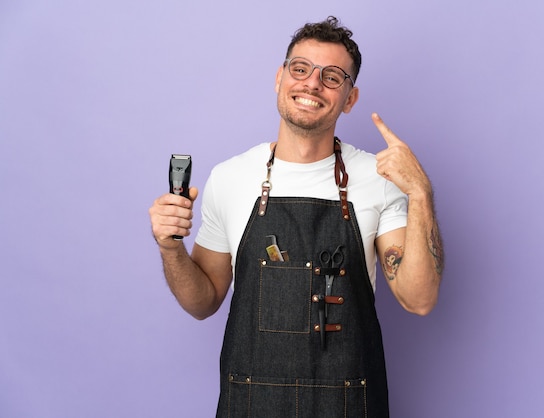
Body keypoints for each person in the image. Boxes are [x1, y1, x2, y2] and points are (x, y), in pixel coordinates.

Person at [149, 16, 443, 417]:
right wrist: (170, 248)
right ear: (280, 78)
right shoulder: (231, 178)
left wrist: (421, 193)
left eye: (332, 77)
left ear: (350, 98)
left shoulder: (379, 180)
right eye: (300, 69)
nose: (312, 84)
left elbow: (419, 299)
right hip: (252, 403)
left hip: (348, 404)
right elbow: (203, 302)